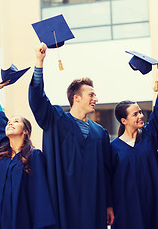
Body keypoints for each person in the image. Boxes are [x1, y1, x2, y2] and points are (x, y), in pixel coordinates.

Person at [28, 42, 114, 229]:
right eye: (91, 95)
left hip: (94, 203)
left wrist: (108, 203)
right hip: (63, 200)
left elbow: (106, 171)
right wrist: (39, 63)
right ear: (77, 98)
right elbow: (38, 100)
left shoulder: (100, 133)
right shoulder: (56, 120)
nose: (96, 99)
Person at [0, 81, 55, 229]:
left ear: (25, 130)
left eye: (16, 121)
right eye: (9, 122)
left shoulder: (34, 156)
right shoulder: (2, 152)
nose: (10, 123)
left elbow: (39, 194)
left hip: (19, 219)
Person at [111, 63, 158, 228]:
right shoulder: (113, 148)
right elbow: (108, 181)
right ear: (123, 120)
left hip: (153, 204)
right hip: (127, 209)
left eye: (140, 112)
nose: (141, 116)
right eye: (135, 114)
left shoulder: (149, 136)